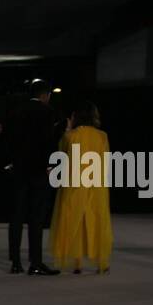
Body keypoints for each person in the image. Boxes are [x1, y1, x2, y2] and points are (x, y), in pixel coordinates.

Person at [48, 99, 113, 274]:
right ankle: (101, 262)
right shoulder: (102, 136)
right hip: (96, 183)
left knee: (71, 217)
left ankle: (76, 262)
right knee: (96, 218)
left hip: (74, 183)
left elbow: (62, 156)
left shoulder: (70, 136)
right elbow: (105, 161)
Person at [8, 81, 63, 275]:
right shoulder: (47, 112)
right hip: (38, 170)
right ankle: (35, 262)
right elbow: (47, 141)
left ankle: (15, 262)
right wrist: (50, 165)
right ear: (45, 95)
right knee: (36, 217)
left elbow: (11, 139)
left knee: (16, 215)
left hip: (19, 169)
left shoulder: (16, 111)